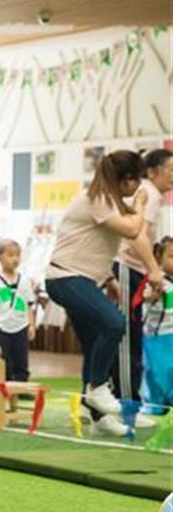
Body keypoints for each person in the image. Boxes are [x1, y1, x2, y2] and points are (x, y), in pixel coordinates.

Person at [46, 150, 161, 437]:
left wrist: (108, 278)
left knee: (95, 341)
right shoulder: (99, 199)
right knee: (113, 323)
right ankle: (97, 389)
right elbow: (134, 230)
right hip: (65, 278)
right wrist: (141, 205)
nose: (140, 187)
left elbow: (95, 245)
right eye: (138, 181)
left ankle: (96, 415)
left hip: (83, 279)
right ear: (126, 180)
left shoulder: (109, 201)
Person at [114, 149, 173, 415]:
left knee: (128, 335)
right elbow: (137, 235)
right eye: (170, 169)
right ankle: (129, 405)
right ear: (151, 172)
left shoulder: (153, 195)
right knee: (128, 336)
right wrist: (153, 270)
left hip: (137, 270)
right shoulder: (148, 193)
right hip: (128, 267)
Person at [0, 239, 36, 382]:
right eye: (10, 255)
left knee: (21, 359)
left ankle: (21, 386)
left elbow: (29, 305)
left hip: (20, 326)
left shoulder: (25, 281)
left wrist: (31, 325)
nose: (15, 259)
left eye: (18, 255)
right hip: (0, 326)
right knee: (0, 358)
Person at [140, 237, 173, 412]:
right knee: (156, 372)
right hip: (158, 338)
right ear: (159, 259)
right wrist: (152, 295)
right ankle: (155, 405)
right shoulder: (157, 281)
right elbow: (145, 297)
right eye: (172, 256)